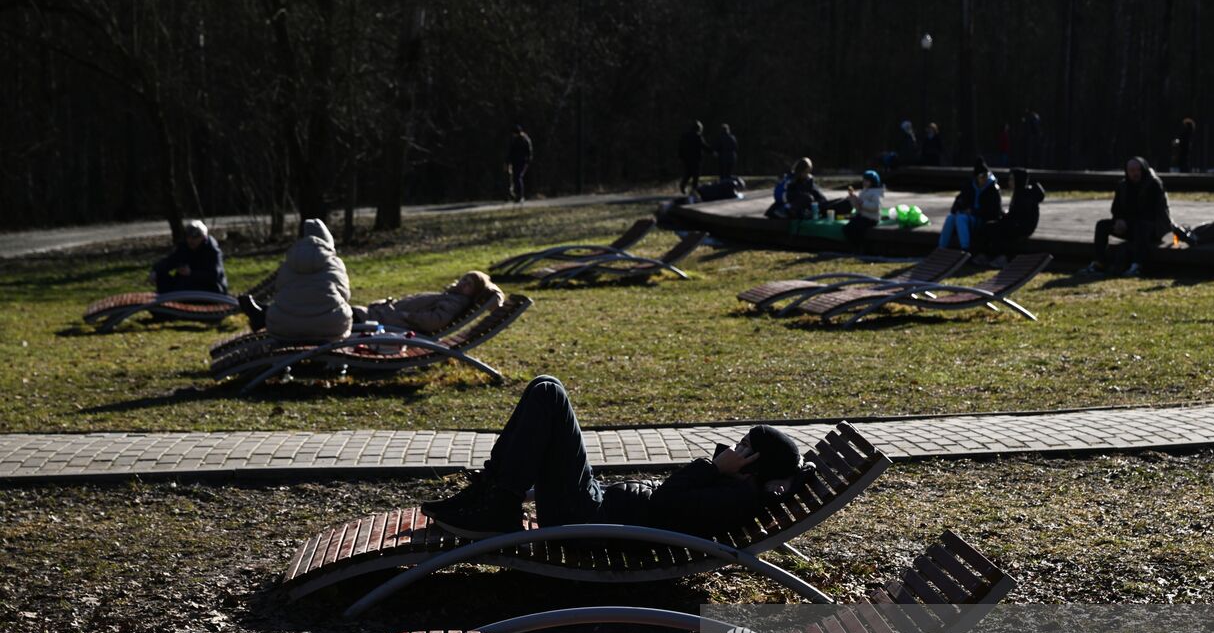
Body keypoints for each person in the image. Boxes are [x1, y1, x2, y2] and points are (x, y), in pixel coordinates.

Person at [421, 375, 804, 538]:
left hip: (589, 520)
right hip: (595, 506)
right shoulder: (730, 489)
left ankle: (499, 503)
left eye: (744, 448)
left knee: (550, 396)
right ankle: (492, 492)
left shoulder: (734, 496)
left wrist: (712, 467)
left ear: (754, 464)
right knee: (546, 386)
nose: (734, 449)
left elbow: (668, 501)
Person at [238, 218, 353, 341]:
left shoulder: (289, 262)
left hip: (284, 327)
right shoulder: (335, 263)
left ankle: (261, 314)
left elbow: (279, 290)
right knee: (347, 310)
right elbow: (345, 294)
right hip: (330, 328)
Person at [1084, 157, 1174, 277]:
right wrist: (1118, 220)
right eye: (1131, 170)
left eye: (1137, 170)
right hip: (1129, 225)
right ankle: (1099, 262)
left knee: (1141, 226)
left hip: (1153, 228)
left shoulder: (1154, 184)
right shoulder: (1123, 185)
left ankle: (1136, 265)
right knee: (1102, 225)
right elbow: (1116, 208)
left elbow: (1151, 213)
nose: (1135, 173)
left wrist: (1127, 222)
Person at [352, 271, 505, 334]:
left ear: (474, 293)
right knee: (342, 313)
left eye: (469, 284)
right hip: (386, 317)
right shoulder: (450, 296)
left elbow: (435, 321)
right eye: (464, 279)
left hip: (392, 322)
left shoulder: (456, 302)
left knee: (341, 316)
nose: (464, 283)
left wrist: (407, 315)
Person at [979, 168, 1044, 265]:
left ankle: (1003, 257)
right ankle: (990, 256)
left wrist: (1004, 218)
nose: (1009, 182)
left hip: (1023, 226)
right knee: (992, 226)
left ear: (1018, 180)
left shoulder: (1024, 195)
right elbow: (1015, 214)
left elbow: (1020, 217)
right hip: (1017, 223)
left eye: (1012, 179)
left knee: (997, 228)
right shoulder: (1020, 192)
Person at [937, 158, 1001, 251]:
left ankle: (965, 248)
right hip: (969, 217)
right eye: (982, 176)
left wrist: (973, 211)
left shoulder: (993, 189)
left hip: (982, 219)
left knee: (961, 218)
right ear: (976, 177)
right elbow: (959, 201)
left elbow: (993, 212)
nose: (984, 179)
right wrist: (958, 209)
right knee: (951, 217)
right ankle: (941, 248)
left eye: (986, 175)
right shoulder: (969, 186)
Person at [150, 220, 228, 295]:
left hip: (210, 288)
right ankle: (164, 302)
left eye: (196, 237)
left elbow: (214, 275)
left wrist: (191, 273)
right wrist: (156, 270)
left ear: (204, 237)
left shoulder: (212, 251)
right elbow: (170, 261)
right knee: (161, 276)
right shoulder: (184, 248)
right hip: (187, 286)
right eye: (189, 237)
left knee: (185, 284)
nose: (191, 240)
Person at [837, 170, 886, 246]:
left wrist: (862, 203)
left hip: (871, 219)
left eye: (866, 181)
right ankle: (851, 245)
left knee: (857, 230)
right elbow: (858, 208)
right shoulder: (863, 192)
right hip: (862, 216)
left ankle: (859, 246)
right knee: (847, 228)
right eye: (864, 180)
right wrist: (853, 200)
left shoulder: (876, 193)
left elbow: (876, 207)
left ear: (873, 182)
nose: (864, 182)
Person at [677, 120, 713, 194]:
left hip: (686, 158)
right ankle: (694, 190)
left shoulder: (685, 136)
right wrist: (712, 152)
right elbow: (704, 146)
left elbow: (680, 147)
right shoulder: (698, 136)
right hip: (696, 159)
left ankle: (683, 185)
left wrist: (680, 157)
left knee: (688, 173)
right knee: (696, 175)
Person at [506, 125, 533, 203]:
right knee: (515, 178)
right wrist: (508, 162)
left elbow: (529, 151)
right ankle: (517, 195)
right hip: (515, 161)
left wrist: (528, 160)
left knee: (518, 177)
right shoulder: (514, 140)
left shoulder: (525, 140)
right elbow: (511, 152)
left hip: (523, 161)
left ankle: (521, 195)